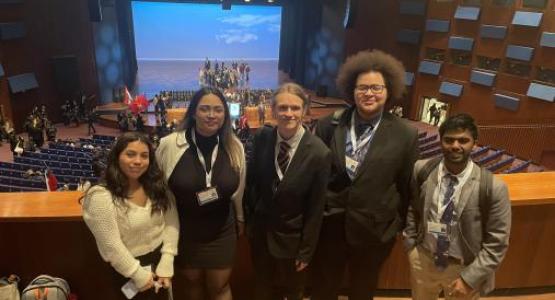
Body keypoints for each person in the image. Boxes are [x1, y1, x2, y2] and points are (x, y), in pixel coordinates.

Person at [311, 50, 419, 300]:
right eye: (362, 88)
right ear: (351, 90)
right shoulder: (329, 125)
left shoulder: (405, 134)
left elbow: (407, 186)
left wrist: (395, 227)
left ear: (388, 90)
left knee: (363, 291)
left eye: (376, 88)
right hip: (330, 228)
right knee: (323, 288)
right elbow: (318, 176)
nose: (369, 93)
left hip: (375, 233)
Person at [404, 114, 511, 300]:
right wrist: (411, 245)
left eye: (463, 140)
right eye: (449, 140)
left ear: (474, 143)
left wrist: (469, 279)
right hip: (424, 258)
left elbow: (497, 243)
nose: (455, 146)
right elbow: (413, 208)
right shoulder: (421, 169)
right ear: (441, 141)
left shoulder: (493, 187)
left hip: (464, 267)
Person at [156, 87, 246, 300]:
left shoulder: (235, 147)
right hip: (184, 229)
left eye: (218, 109)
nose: (211, 115)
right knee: (191, 285)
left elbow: (239, 189)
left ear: (225, 114)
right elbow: (160, 188)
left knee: (220, 287)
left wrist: (241, 217)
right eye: (204, 109)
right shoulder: (169, 145)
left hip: (221, 230)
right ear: (193, 112)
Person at [244, 83, 331, 300]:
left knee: (293, 293)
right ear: (273, 110)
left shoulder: (320, 153)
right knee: (261, 288)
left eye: (295, 108)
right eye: (282, 108)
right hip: (262, 237)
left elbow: (316, 207)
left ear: (304, 110)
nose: (288, 113)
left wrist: (306, 250)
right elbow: (252, 184)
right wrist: (252, 223)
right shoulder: (262, 138)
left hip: (294, 242)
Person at [82, 132, 179, 299]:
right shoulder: (100, 196)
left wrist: (167, 259)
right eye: (130, 154)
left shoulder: (156, 186)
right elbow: (111, 246)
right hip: (127, 272)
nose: (138, 161)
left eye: (144, 156)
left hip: (161, 265)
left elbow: (171, 222)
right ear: (117, 157)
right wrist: (137, 274)